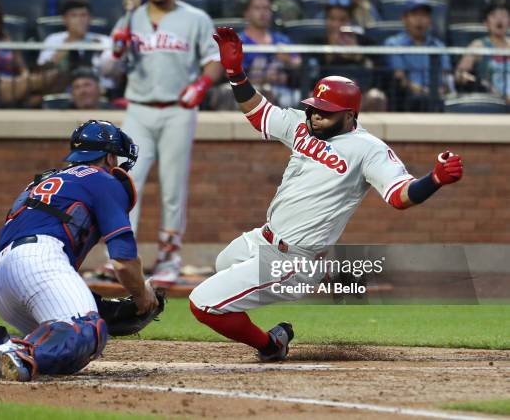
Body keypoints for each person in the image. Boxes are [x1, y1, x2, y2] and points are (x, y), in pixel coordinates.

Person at [189, 27, 463, 362]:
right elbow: (257, 112)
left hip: (293, 259)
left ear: (350, 116)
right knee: (223, 264)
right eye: (314, 107)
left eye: (326, 111)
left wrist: (434, 178)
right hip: (262, 239)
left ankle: (271, 345)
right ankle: (318, 280)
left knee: (203, 303)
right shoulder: (302, 126)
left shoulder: (368, 149)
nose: (316, 115)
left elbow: (400, 196)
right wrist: (235, 73)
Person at [0, 120, 158, 381]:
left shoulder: (43, 180)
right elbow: (123, 261)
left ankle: (1, 353)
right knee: (87, 330)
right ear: (109, 157)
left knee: (70, 356)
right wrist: (142, 294)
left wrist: (95, 305)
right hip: (38, 259)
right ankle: (15, 349)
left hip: (1, 281)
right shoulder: (101, 179)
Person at [102, 0, 223, 285]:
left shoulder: (195, 18)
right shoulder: (131, 18)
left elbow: (214, 61)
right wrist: (116, 51)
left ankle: (169, 258)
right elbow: (107, 69)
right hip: (138, 108)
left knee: (172, 185)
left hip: (178, 109)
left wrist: (202, 85)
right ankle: (121, 255)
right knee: (126, 181)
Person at [311, 0, 387, 111]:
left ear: (350, 21)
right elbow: (310, 78)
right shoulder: (316, 43)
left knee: (376, 96)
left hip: (360, 95)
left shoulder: (365, 43)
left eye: (342, 20)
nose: (336, 24)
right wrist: (330, 54)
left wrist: (359, 56)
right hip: (327, 95)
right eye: (332, 19)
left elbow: (382, 75)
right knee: (311, 96)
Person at [384, 0, 453, 111]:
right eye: (414, 15)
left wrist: (442, 90)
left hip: (438, 97)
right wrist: (424, 92)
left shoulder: (438, 46)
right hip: (408, 99)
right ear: (404, 19)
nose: (419, 19)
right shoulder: (394, 44)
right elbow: (399, 77)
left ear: (430, 20)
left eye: (424, 15)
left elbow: (446, 76)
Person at [238, 0, 301, 108]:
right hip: (249, 92)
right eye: (257, 8)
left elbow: (299, 62)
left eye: (266, 8)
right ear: (246, 13)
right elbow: (231, 74)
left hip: (281, 92)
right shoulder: (238, 41)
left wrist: (288, 59)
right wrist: (263, 79)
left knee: (301, 97)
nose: (262, 12)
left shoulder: (282, 39)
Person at [38, 0, 111, 92]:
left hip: (99, 89)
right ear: (65, 19)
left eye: (83, 15)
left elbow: (110, 75)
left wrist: (97, 50)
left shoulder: (103, 40)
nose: (79, 20)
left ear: (90, 19)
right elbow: (44, 70)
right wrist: (69, 43)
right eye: (74, 16)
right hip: (63, 89)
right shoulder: (53, 39)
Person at [455, 2, 510, 102]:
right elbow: (459, 74)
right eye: (494, 15)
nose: (499, 19)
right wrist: (479, 82)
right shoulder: (478, 45)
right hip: (491, 99)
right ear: (486, 22)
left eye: (503, 15)